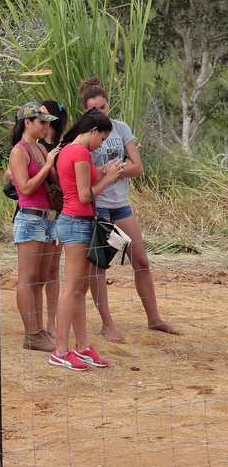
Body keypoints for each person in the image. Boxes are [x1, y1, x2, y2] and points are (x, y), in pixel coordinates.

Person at [80, 78, 180, 342]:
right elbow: (86, 174)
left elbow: (138, 167)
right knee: (100, 267)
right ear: (86, 112)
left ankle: (154, 318)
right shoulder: (85, 134)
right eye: (94, 110)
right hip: (98, 206)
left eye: (103, 107)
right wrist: (111, 171)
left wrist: (113, 171)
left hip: (121, 204)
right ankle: (107, 323)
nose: (100, 113)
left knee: (142, 261)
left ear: (108, 105)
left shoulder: (120, 128)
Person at [49, 108, 123, 371]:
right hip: (77, 223)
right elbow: (83, 195)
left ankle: (82, 346)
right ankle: (60, 349)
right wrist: (110, 178)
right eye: (101, 139)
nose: (101, 144)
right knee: (71, 289)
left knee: (78, 289)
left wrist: (102, 171)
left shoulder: (70, 150)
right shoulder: (80, 152)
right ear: (92, 131)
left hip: (76, 222)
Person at [7, 102, 61, 352]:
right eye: (41, 122)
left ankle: (38, 331)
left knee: (39, 279)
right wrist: (48, 165)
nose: (46, 126)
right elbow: (25, 188)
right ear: (27, 123)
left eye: (47, 122)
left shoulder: (39, 148)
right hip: (30, 217)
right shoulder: (19, 151)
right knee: (28, 279)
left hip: (47, 218)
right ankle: (31, 333)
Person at [39, 100, 68, 337]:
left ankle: (51, 321)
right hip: (37, 211)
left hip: (57, 212)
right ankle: (36, 323)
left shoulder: (65, 145)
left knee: (52, 271)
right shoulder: (34, 144)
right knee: (36, 272)